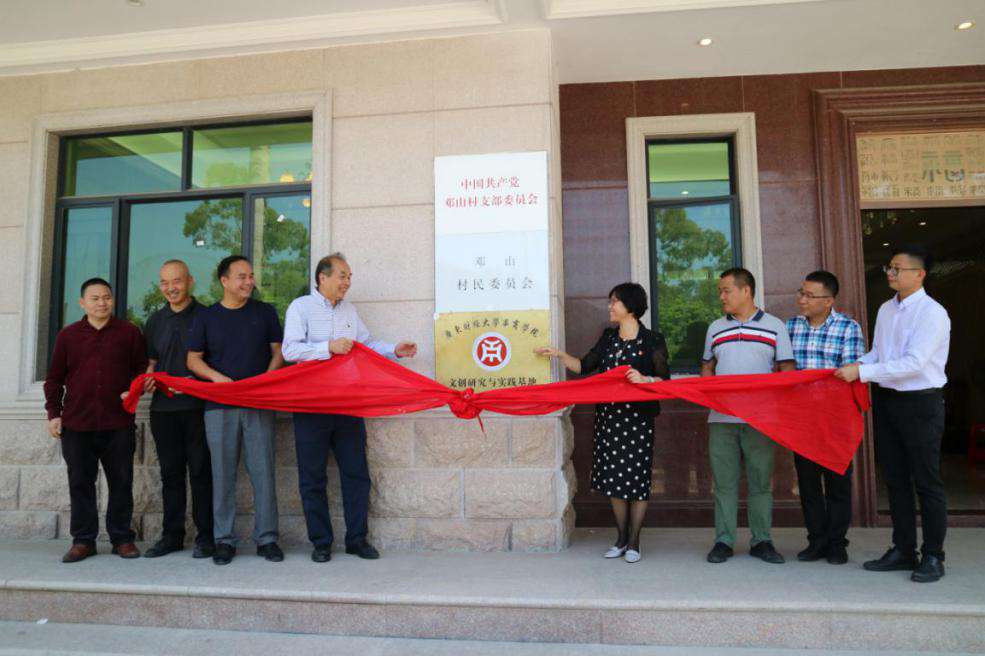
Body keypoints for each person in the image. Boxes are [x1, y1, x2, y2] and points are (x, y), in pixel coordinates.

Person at [282, 253, 417, 563]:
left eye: (350, 277)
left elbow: (366, 344)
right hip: (311, 405)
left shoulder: (349, 310)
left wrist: (394, 350)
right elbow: (290, 350)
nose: (347, 282)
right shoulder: (300, 307)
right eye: (342, 276)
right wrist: (327, 348)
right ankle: (321, 543)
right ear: (323, 278)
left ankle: (357, 539)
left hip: (347, 403)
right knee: (312, 477)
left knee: (356, 474)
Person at [835, 244, 950, 583]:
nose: (890, 273)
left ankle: (933, 556)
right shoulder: (887, 308)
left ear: (920, 274)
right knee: (896, 480)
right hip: (888, 401)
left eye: (898, 268)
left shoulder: (932, 313)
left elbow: (914, 363)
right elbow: (879, 353)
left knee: (927, 482)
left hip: (921, 404)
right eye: (890, 267)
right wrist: (858, 364)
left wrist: (863, 373)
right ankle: (903, 549)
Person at [536, 282, 669, 563]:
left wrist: (644, 379)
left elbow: (664, 380)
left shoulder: (652, 340)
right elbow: (584, 366)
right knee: (614, 478)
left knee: (637, 480)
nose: (610, 306)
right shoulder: (609, 337)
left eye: (614, 301)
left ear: (630, 306)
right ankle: (620, 539)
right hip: (609, 419)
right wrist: (559, 355)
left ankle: (634, 542)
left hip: (638, 420)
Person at [187, 255, 285, 566]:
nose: (249, 281)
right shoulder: (206, 316)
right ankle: (224, 541)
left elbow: (279, 351)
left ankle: (267, 539)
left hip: (258, 404)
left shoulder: (265, 312)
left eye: (251, 276)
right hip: (219, 406)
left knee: (263, 472)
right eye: (242, 276)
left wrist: (265, 381)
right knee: (222, 474)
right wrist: (218, 379)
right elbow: (193, 360)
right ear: (224, 281)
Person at [44, 278, 148, 563]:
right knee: (80, 483)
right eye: (95, 298)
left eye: (107, 297)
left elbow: (141, 369)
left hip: (118, 423)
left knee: (121, 482)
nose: (102, 303)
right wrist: (54, 414)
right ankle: (83, 541)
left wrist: (134, 389)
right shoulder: (68, 336)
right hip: (77, 423)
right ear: (82, 303)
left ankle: (122, 538)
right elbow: (54, 379)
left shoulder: (129, 333)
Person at [701, 267, 795, 565]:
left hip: (761, 419)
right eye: (720, 291)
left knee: (760, 483)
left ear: (746, 291)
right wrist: (711, 393)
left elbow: (787, 370)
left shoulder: (775, 326)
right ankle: (724, 541)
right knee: (723, 484)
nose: (721, 296)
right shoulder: (715, 328)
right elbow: (707, 367)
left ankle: (762, 541)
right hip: (722, 419)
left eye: (726, 290)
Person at [786, 270, 864, 565]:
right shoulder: (790, 326)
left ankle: (837, 543)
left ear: (829, 301)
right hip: (802, 419)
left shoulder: (848, 328)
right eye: (801, 293)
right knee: (808, 484)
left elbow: (850, 372)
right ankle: (816, 541)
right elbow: (781, 370)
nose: (802, 300)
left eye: (810, 295)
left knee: (838, 483)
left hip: (836, 418)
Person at [141, 260, 214, 559]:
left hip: (198, 407)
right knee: (170, 474)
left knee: (201, 472)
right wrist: (147, 379)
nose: (170, 288)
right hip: (163, 410)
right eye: (164, 282)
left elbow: (213, 361)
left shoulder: (207, 316)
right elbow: (152, 362)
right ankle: (172, 536)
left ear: (190, 281)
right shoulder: (154, 321)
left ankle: (206, 537)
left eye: (177, 281)